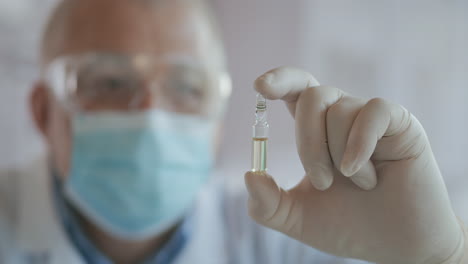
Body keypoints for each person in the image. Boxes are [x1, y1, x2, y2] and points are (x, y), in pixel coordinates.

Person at [0, 0, 466, 263]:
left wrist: (441, 255)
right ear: (43, 111)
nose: (152, 117)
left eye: (186, 87)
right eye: (109, 83)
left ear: (218, 123)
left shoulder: (283, 241)